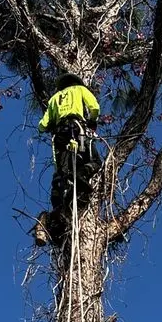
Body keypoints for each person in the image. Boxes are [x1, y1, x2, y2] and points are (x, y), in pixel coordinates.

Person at [35, 74, 101, 243]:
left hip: (59, 134)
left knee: (61, 172)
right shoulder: (79, 89)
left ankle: (57, 210)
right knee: (94, 160)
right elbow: (94, 107)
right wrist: (92, 121)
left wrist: (52, 124)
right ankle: (82, 175)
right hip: (76, 127)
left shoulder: (54, 98)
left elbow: (42, 126)